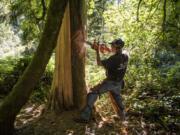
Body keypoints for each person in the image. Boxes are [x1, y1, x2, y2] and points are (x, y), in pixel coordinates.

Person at [75, 38, 129, 123]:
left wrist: (97, 50)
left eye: (112, 45)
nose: (111, 46)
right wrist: (104, 49)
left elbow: (99, 63)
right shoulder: (125, 55)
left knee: (92, 92)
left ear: (117, 47)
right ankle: (124, 118)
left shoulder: (114, 59)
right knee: (117, 99)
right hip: (119, 83)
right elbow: (116, 52)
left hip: (110, 83)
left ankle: (85, 117)